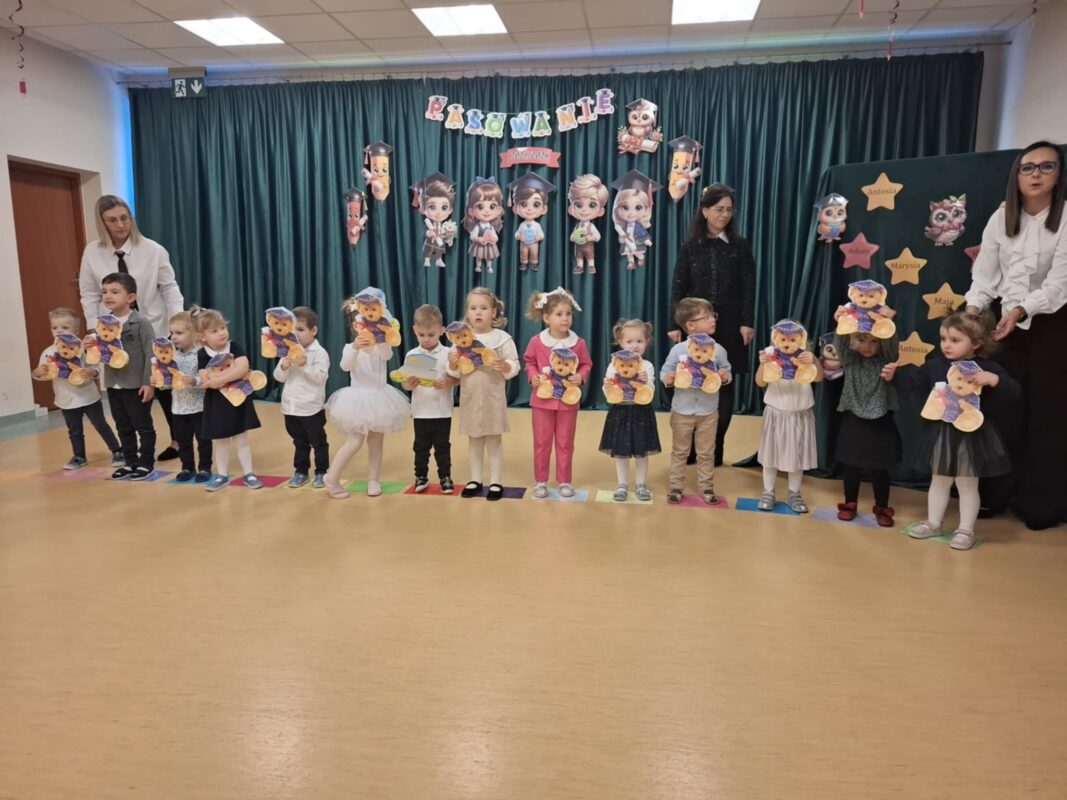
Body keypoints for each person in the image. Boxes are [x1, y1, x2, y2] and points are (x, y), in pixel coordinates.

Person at [965, 141, 1067, 529]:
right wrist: (972, 313)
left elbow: (1059, 284)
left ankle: (1041, 503)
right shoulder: (1001, 217)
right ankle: (993, 494)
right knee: (1002, 407)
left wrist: (1021, 310)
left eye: (1046, 166)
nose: (1036, 174)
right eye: (1028, 167)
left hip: (1053, 324)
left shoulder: (1066, 216)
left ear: (1059, 174)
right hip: (1006, 327)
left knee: (1047, 414)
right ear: (1017, 175)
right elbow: (984, 277)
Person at [79, 195, 185, 461]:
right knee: (126, 389)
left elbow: (169, 288)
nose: (120, 225)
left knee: (163, 387)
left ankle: (178, 441)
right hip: (114, 334)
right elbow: (89, 293)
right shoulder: (92, 252)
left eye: (124, 218)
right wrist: (93, 328)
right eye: (112, 220)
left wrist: (177, 323)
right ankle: (133, 446)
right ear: (102, 223)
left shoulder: (153, 250)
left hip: (154, 327)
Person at [903, 312, 1020, 550]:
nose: (946, 345)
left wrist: (993, 380)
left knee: (967, 484)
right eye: (943, 339)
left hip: (972, 435)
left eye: (955, 340)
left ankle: (966, 530)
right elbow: (914, 387)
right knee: (939, 480)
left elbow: (1014, 392)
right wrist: (892, 377)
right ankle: (933, 523)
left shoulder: (987, 367)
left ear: (976, 343)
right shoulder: (934, 365)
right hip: (942, 433)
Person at [669, 183, 756, 466]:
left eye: (729, 210)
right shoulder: (690, 247)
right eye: (719, 209)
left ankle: (714, 450)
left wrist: (747, 322)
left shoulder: (740, 245)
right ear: (705, 211)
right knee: (693, 383)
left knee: (724, 385)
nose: (725, 215)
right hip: (696, 323)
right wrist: (675, 323)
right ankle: (692, 449)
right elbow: (678, 286)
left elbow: (749, 287)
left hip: (730, 324)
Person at [323, 289, 410, 500]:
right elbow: (345, 366)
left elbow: (387, 355)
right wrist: (354, 347)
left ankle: (373, 480)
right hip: (358, 400)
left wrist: (382, 337)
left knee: (376, 443)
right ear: (356, 326)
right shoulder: (350, 347)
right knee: (354, 442)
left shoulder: (382, 345)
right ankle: (331, 477)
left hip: (380, 397)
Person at [446, 288, 520, 501]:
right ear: (467, 313)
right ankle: (475, 479)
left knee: (494, 440)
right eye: (473, 308)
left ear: (493, 312)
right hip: (470, 398)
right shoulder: (460, 339)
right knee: (474, 440)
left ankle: (496, 481)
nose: (478, 312)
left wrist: (505, 365)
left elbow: (514, 365)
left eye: (484, 308)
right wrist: (452, 364)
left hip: (493, 398)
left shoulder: (502, 339)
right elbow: (455, 372)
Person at [30, 307, 122, 470]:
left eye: (65, 327)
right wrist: (38, 372)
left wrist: (92, 372)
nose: (59, 331)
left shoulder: (84, 348)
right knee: (74, 430)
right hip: (66, 399)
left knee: (101, 425)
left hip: (88, 397)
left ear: (76, 330)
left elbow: (96, 368)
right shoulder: (49, 352)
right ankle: (79, 456)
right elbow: (40, 374)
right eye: (55, 327)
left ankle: (117, 450)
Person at [660, 298, 732, 504]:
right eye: (706, 317)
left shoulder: (718, 350)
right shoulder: (678, 350)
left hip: (708, 411)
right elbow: (665, 371)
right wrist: (668, 378)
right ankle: (675, 486)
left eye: (712, 316)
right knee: (680, 451)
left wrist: (725, 376)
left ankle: (706, 487)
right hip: (682, 410)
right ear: (690, 325)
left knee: (707, 452)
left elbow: (727, 371)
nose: (713, 320)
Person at [523, 287, 592, 498]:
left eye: (568, 313)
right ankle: (541, 481)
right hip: (542, 401)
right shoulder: (537, 342)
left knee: (565, 442)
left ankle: (565, 481)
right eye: (559, 314)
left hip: (568, 402)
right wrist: (533, 376)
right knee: (542, 442)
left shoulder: (578, 343)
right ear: (546, 318)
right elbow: (529, 362)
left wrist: (580, 376)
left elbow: (586, 364)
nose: (565, 318)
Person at [86, 273, 157, 480]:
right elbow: (100, 352)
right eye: (105, 292)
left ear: (130, 297)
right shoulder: (103, 324)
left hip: (136, 384)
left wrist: (148, 383)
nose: (108, 296)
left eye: (115, 292)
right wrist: (89, 346)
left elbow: (151, 354)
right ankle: (130, 462)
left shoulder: (141, 323)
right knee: (123, 426)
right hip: (113, 384)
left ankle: (146, 462)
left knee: (143, 426)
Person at [830, 328, 900, 527]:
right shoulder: (850, 360)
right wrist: (842, 323)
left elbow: (891, 344)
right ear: (853, 341)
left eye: (874, 341)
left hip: (881, 419)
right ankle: (850, 503)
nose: (868, 346)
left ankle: (881, 506)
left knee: (880, 467)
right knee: (851, 465)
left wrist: (888, 324)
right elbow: (840, 343)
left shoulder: (885, 359)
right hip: (854, 417)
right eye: (861, 340)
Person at [754, 320, 823, 513]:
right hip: (776, 411)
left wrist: (814, 361)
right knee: (771, 454)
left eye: (793, 339)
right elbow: (760, 382)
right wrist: (763, 364)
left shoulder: (805, 357)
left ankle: (794, 493)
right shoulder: (770, 356)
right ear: (776, 339)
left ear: (801, 339)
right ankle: (768, 491)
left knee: (797, 455)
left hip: (800, 412)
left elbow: (819, 378)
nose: (788, 342)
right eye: (783, 338)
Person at [192, 306, 263, 492]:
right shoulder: (202, 354)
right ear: (202, 337)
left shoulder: (235, 346)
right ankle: (222, 475)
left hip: (238, 400)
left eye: (223, 327)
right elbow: (206, 377)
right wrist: (228, 375)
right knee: (220, 441)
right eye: (214, 331)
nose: (221, 333)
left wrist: (219, 379)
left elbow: (243, 367)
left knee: (241, 439)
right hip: (216, 404)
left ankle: (249, 473)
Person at [599, 319, 660, 501]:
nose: (634, 346)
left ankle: (641, 484)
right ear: (621, 342)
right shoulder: (613, 365)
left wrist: (646, 381)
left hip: (641, 412)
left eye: (639, 341)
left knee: (642, 452)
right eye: (629, 341)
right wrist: (607, 386)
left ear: (647, 342)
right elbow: (608, 392)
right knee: (621, 451)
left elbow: (651, 391)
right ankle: (622, 484)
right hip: (620, 412)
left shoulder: (647, 366)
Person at [401, 304, 456, 493]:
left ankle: (445, 477)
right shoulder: (412, 355)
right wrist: (409, 384)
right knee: (420, 447)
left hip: (442, 411)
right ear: (414, 330)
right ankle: (421, 476)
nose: (426, 339)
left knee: (443, 447)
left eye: (431, 334)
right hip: (420, 411)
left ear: (442, 330)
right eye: (421, 334)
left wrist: (447, 382)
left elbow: (457, 379)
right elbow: (405, 383)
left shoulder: (448, 354)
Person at [275, 306, 330, 490]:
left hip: (311, 408)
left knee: (318, 442)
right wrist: (284, 365)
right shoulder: (287, 350)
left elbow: (321, 378)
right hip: (290, 407)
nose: (296, 334)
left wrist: (304, 365)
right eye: (292, 330)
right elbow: (279, 377)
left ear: (313, 330)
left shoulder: (319, 353)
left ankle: (322, 472)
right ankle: (301, 472)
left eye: (300, 329)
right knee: (299, 442)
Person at [167, 311, 211, 482]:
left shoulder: (202, 354)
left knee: (203, 440)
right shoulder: (171, 355)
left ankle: (204, 468)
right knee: (183, 440)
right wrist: (160, 381)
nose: (173, 337)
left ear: (193, 334)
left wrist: (194, 380)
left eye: (179, 333)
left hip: (199, 406)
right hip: (178, 407)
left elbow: (208, 377)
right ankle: (187, 467)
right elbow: (168, 380)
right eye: (172, 333)